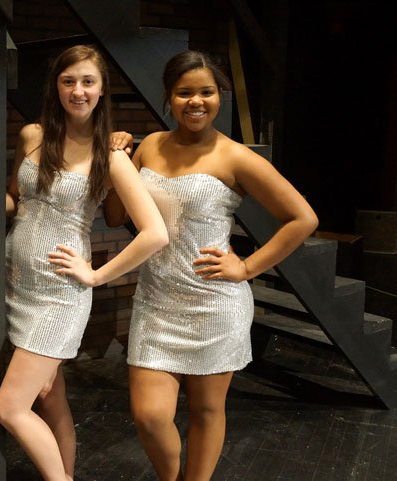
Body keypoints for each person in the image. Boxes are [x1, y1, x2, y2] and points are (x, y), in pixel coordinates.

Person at [103, 50, 318, 481]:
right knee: (149, 416)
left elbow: (303, 218)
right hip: (157, 300)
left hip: (213, 302)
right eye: (184, 93)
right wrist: (118, 162)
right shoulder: (148, 148)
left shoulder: (235, 156)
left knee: (206, 409)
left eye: (206, 92)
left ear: (220, 96)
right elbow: (113, 217)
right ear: (169, 97)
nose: (196, 102)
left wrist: (248, 267)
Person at [0, 44, 168, 481]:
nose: (78, 90)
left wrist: (96, 276)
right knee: (50, 399)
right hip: (16, 284)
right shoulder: (32, 135)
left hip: (59, 295)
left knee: (10, 407)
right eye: (69, 80)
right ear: (56, 86)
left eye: (88, 81)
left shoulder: (112, 157)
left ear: (102, 89)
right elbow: (20, 200)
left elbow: (155, 233)